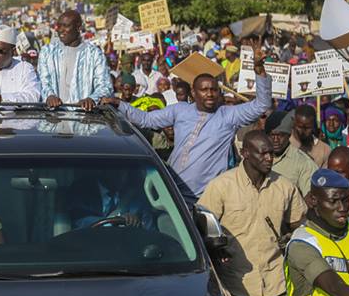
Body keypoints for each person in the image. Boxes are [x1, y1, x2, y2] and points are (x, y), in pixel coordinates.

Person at [198, 130, 306, 296]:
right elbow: (201, 225)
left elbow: (301, 223)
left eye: (272, 153)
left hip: (274, 287)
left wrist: (292, 237)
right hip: (234, 287)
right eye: (263, 153)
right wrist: (216, 248)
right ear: (245, 153)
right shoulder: (221, 186)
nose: (270, 157)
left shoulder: (285, 187)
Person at [102, 57, 272, 203]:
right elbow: (146, 119)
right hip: (174, 191)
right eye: (204, 90)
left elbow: (262, 104)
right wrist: (120, 104)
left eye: (213, 90)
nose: (210, 94)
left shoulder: (228, 115)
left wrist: (259, 70)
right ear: (194, 92)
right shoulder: (180, 110)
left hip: (206, 198)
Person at [37, 10, 112, 112]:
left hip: (84, 119)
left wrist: (91, 99)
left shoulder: (94, 54)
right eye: (59, 26)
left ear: (78, 27)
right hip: (54, 118)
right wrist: (49, 96)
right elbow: (43, 82)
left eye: (66, 26)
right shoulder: (47, 52)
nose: (60, 30)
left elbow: (105, 86)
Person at [65, 167, 156, 231]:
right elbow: (79, 221)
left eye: (124, 170)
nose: (121, 174)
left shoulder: (136, 197)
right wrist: (115, 221)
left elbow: (150, 231)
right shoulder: (81, 190)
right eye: (115, 170)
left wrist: (136, 223)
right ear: (103, 170)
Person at [265, 111, 318, 198]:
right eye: (272, 135)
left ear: (288, 135)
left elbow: (311, 197)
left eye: (280, 135)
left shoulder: (304, 163)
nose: (275, 140)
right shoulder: (257, 158)